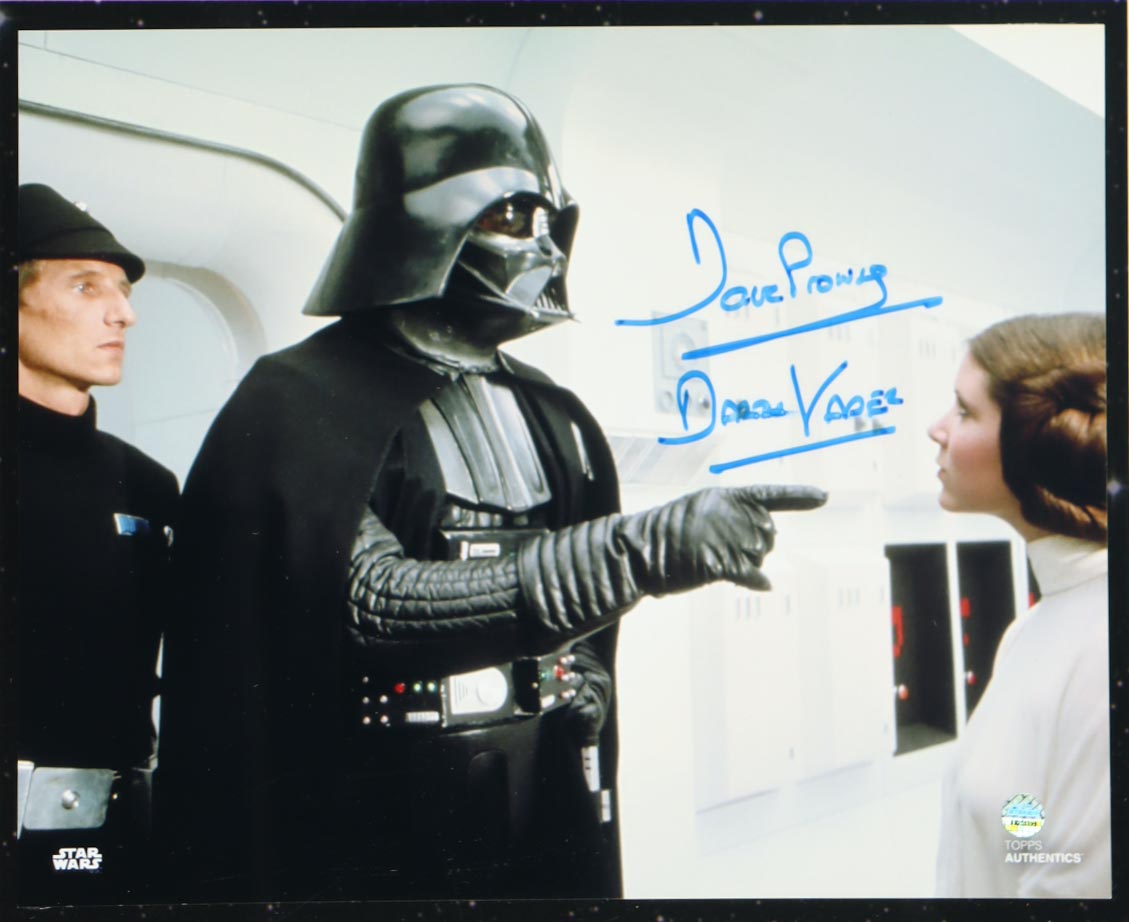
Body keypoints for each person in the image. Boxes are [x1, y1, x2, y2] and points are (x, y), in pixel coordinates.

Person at [155, 83, 826, 902]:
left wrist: (582, 677)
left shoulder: (552, 411)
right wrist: (634, 554)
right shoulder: (296, 400)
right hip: (369, 820)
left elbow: (579, 621)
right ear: (422, 224)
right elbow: (369, 603)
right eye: (512, 216)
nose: (540, 245)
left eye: (548, 221)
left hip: (539, 797)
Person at [16, 183, 178, 905]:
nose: (123, 313)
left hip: (121, 840)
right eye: (86, 287)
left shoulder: (148, 484)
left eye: (123, 291)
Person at [929, 312, 1109, 898]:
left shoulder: (1104, 646)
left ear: (1037, 437)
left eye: (964, 411)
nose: (937, 429)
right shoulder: (1030, 630)